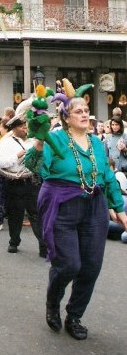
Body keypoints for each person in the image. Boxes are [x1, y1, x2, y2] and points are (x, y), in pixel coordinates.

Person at [25, 92, 127, 340]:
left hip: (94, 208)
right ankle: (53, 303)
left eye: (86, 111)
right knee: (69, 264)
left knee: (91, 268)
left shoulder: (95, 143)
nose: (84, 114)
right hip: (63, 207)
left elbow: (107, 176)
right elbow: (33, 165)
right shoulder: (55, 139)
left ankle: (74, 315)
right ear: (65, 117)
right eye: (78, 111)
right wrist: (39, 142)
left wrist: (120, 210)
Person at [0, 112, 46, 256]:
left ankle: (43, 245)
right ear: (14, 128)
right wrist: (17, 156)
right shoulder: (5, 143)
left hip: (32, 181)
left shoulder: (32, 141)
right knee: (15, 214)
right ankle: (14, 242)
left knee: (36, 214)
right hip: (14, 183)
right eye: (22, 126)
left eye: (26, 126)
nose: (25, 129)